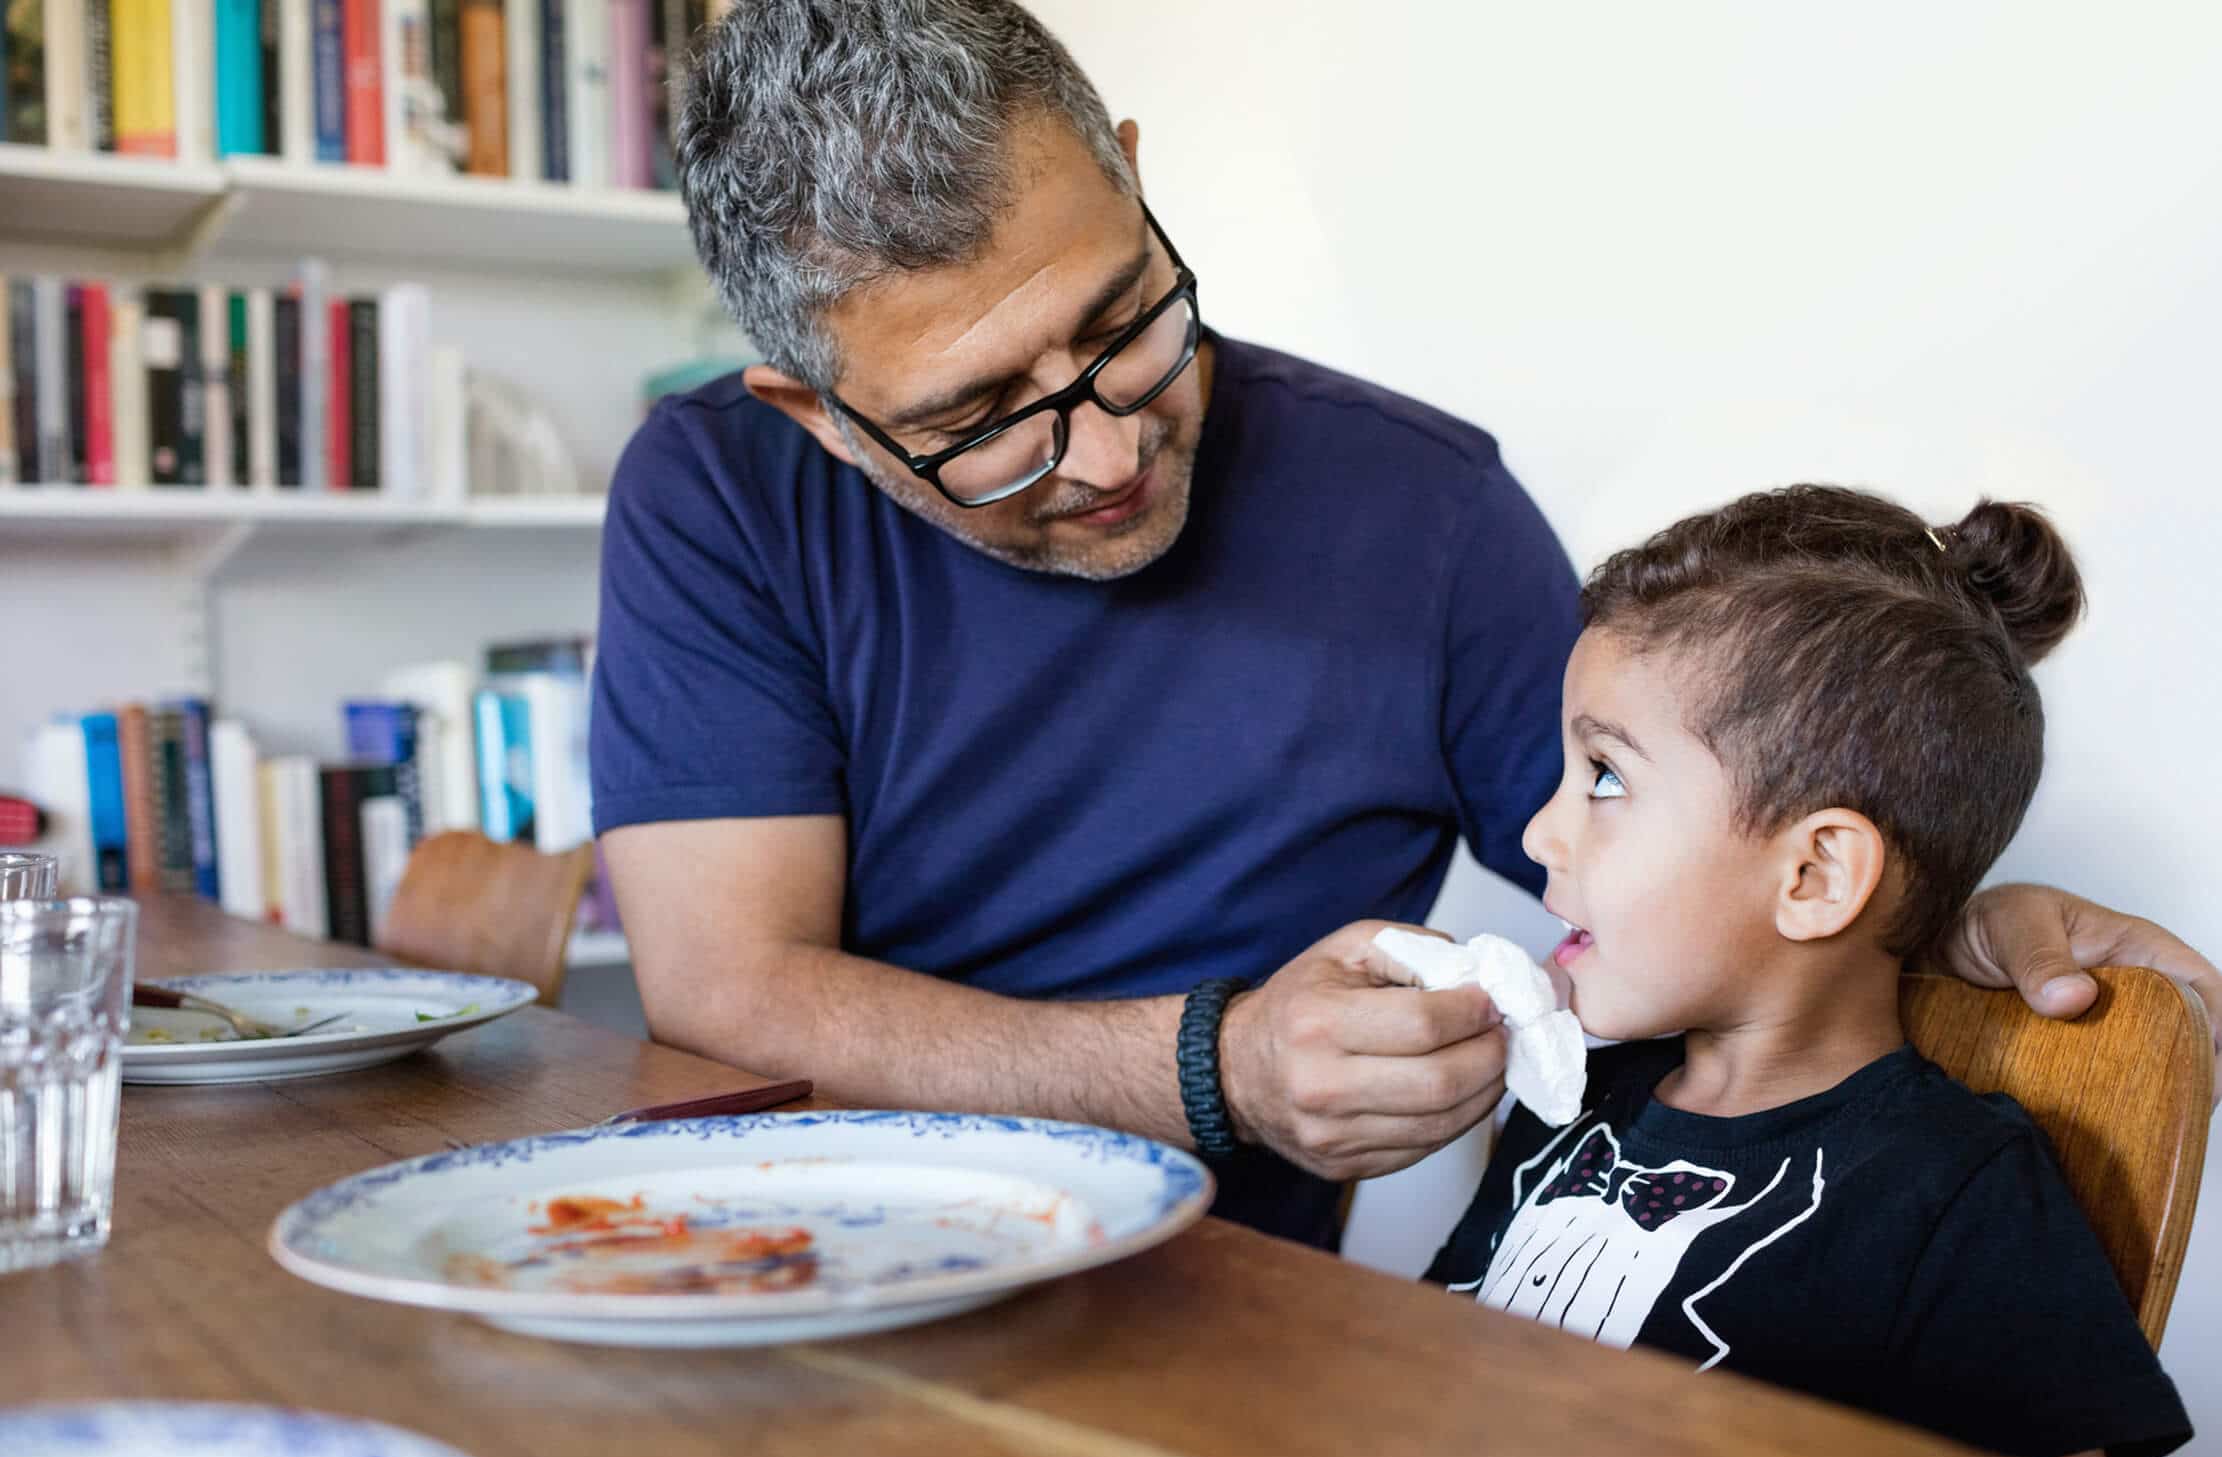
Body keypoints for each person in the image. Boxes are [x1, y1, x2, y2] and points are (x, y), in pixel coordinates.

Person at [589, 0, 2220, 1249]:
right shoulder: (715, 490)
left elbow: (1686, 854)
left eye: (1119, 321)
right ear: (810, 413)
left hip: (1223, 1348)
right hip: (783, 1260)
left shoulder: (1426, 514)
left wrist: (1942, 905)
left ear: (1137, 179)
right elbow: (725, 981)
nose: (1099, 451)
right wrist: (1208, 1068)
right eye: (979, 419)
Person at [1421, 487, 2191, 1457]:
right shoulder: (1565, 1096)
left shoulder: (1958, 1195)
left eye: (1603, 776)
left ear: (1813, 875)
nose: (1535, 834)